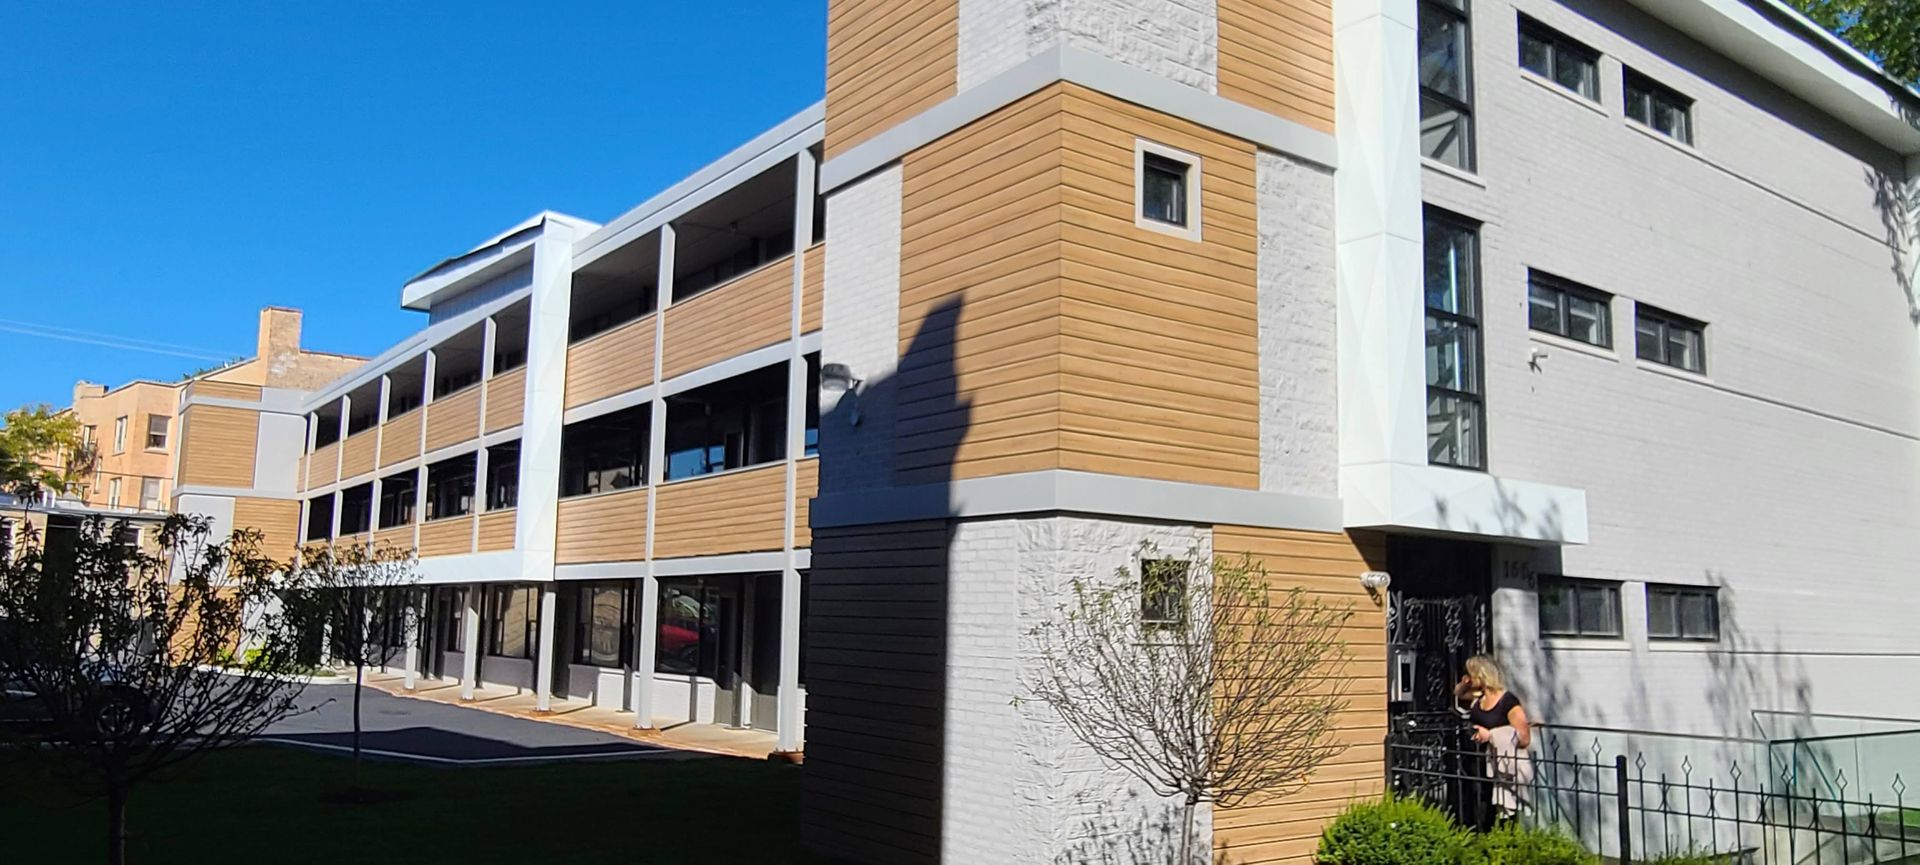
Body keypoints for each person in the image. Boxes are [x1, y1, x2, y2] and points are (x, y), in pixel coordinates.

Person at [1453, 655, 1532, 827]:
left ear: (1481, 675)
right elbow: (1457, 693)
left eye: (1470, 674)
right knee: (1479, 806)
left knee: (1502, 813)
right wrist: (1465, 683)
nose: (1468, 678)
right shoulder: (1478, 698)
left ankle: (1504, 843)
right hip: (1479, 762)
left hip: (1501, 764)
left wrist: (1491, 735)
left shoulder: (1507, 701)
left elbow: (1524, 737)